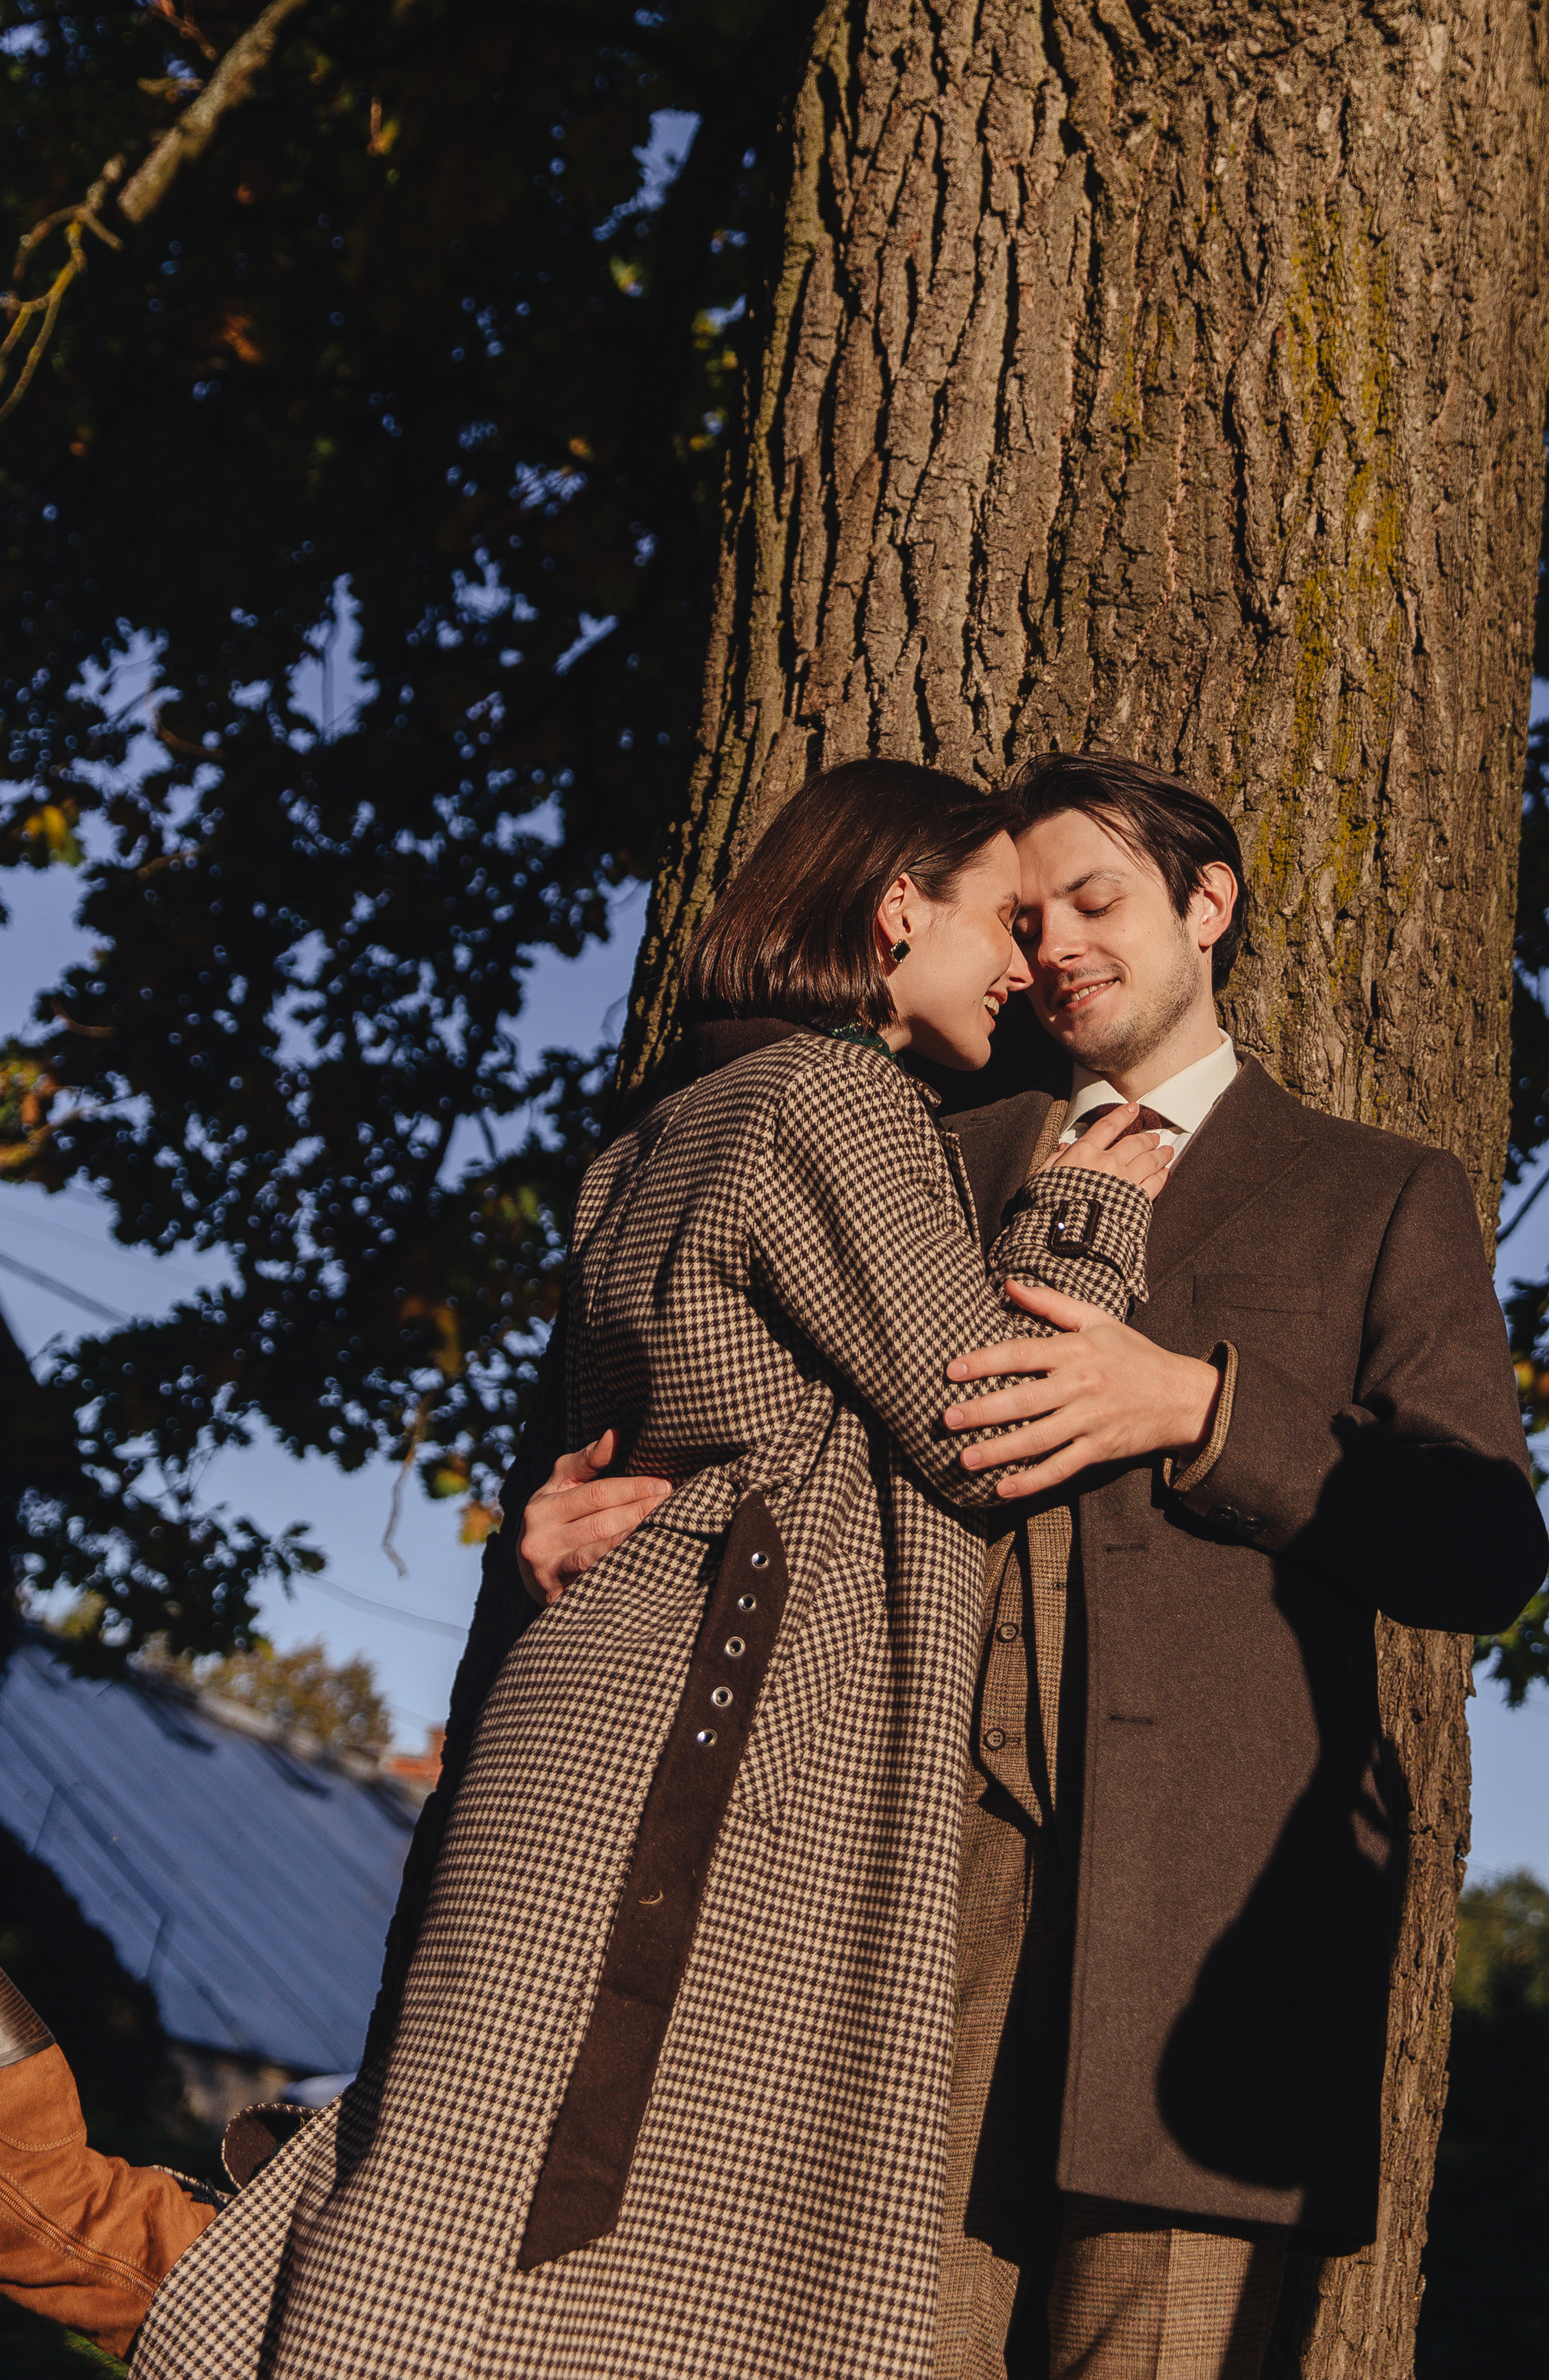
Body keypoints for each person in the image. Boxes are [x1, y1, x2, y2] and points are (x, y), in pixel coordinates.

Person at [123, 761, 1184, 2380]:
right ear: (898, 910)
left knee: (480, 2185)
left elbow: (597, 1453)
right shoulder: (830, 1099)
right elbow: (979, 1417)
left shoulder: (669, 1114)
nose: (1026, 966)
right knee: (563, 2229)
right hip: (698, 1725)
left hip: (609, 1692)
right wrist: (1089, 1213)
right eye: (1000, 921)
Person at [522, 753, 1549, 2379]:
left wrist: (1202, 1409)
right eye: (1022, 914)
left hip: (1202, 1960)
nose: (1054, 944)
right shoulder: (921, 1139)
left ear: (1204, 908)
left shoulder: (1377, 1191)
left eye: (1095, 900)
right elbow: (712, 1400)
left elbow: (1480, 1543)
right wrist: (565, 1521)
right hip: (893, 1918)